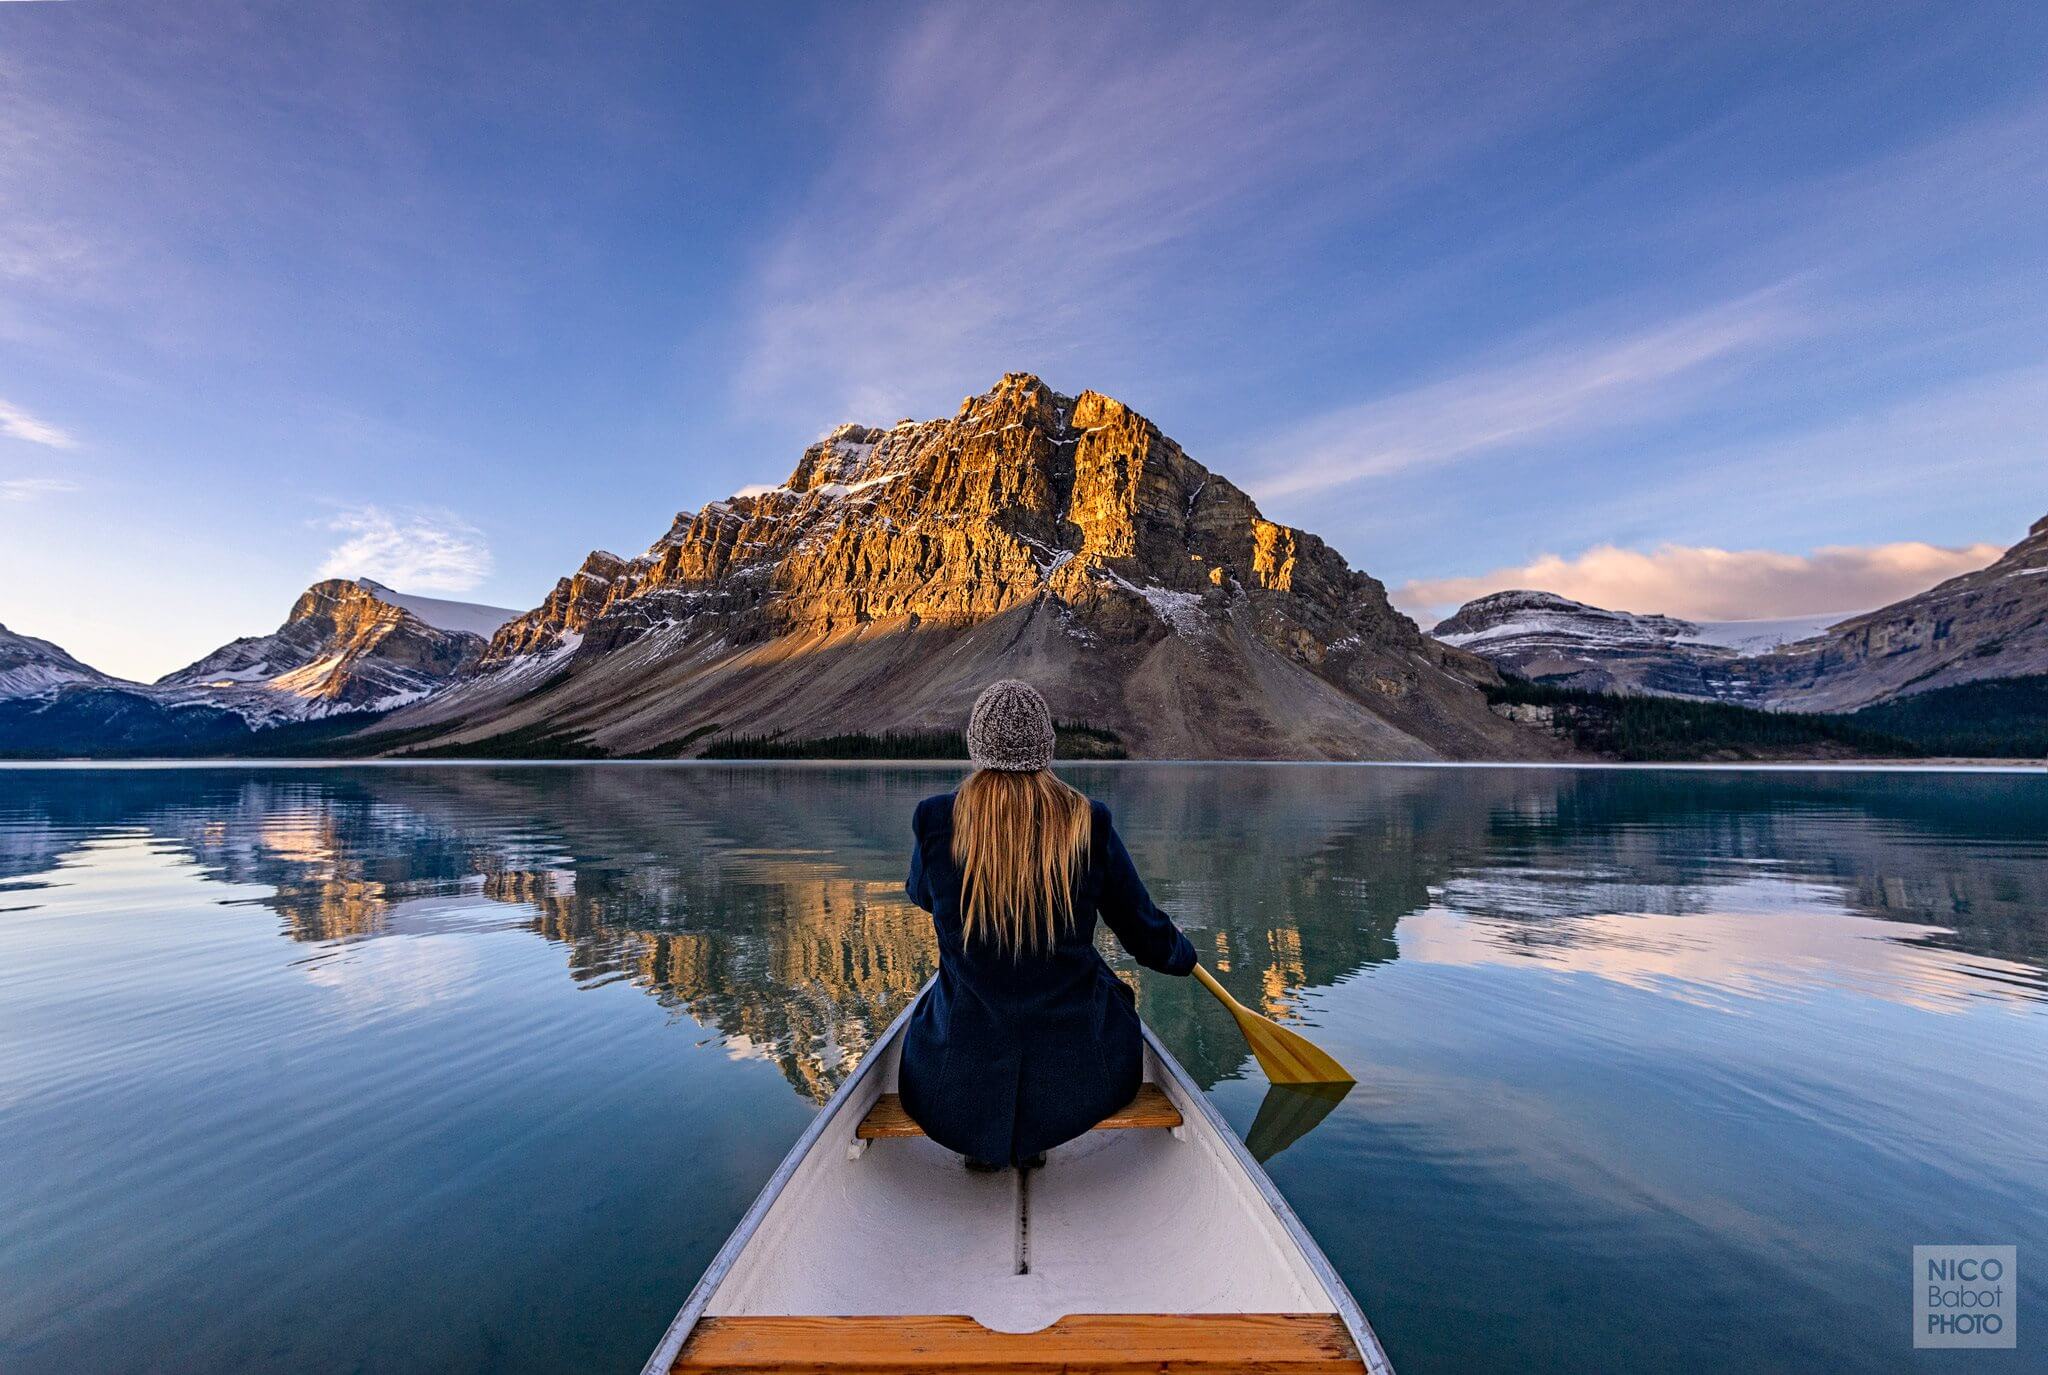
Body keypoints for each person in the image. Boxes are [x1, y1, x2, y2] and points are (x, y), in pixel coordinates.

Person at [899, 679, 1197, 1171]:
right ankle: (1031, 1134)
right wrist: (1183, 955)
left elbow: (923, 896)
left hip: (952, 1084)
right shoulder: (1088, 821)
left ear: (977, 745)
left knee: (945, 1003)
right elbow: (1145, 936)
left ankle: (987, 1140)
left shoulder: (934, 819)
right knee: (1107, 986)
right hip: (1080, 1081)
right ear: (1046, 746)